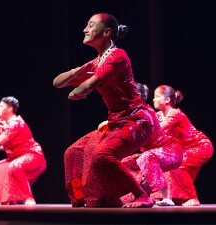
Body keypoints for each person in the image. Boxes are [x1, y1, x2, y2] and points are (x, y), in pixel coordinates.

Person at [53, 13, 155, 208]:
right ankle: (81, 196)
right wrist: (76, 72)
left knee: (102, 156)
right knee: (73, 152)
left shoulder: (118, 56)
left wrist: (78, 90)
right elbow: (57, 82)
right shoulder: (97, 61)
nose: (85, 29)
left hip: (137, 121)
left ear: (107, 32)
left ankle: (142, 194)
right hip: (116, 122)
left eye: (90, 25)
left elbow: (91, 83)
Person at [120, 83, 183, 206]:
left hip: (171, 151)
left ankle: (166, 197)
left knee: (146, 157)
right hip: (153, 155)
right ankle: (122, 198)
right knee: (123, 163)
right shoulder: (130, 112)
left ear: (137, 95)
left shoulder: (145, 111)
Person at [151, 84, 213, 206]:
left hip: (200, 146)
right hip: (185, 149)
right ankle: (174, 198)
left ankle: (193, 198)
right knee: (171, 168)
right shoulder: (158, 115)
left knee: (177, 165)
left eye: (157, 96)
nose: (153, 99)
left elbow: (156, 129)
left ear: (167, 100)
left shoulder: (175, 113)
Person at [0, 96, 46, 206]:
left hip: (33, 156)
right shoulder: (1, 122)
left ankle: (28, 198)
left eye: (0, 106)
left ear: (9, 108)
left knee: (16, 166)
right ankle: (3, 199)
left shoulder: (16, 123)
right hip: (14, 158)